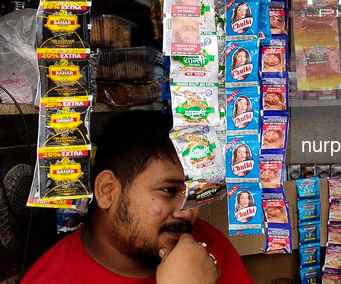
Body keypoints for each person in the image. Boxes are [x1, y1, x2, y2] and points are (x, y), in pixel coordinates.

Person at [21, 111, 255, 284]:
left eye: (195, 192)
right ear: (107, 190)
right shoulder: (55, 279)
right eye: (169, 191)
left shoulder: (204, 243)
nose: (189, 211)